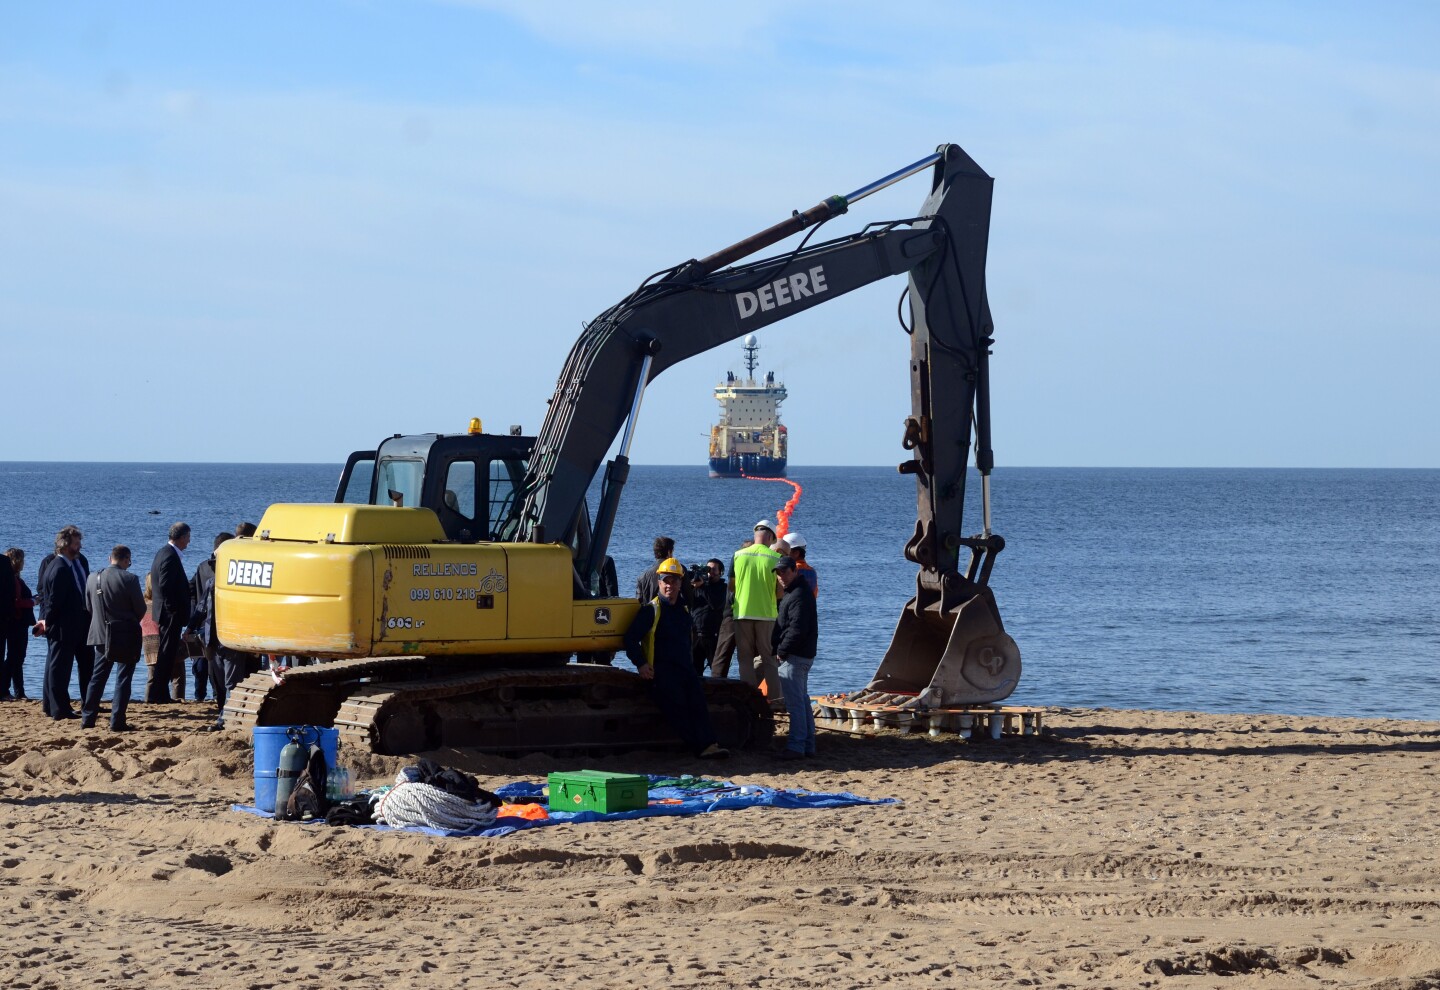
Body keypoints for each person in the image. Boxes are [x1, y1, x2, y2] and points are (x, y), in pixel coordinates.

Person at [622, 557, 728, 759]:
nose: (670, 585)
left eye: (674, 581)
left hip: (685, 669)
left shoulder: (684, 609)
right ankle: (700, 747)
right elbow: (629, 639)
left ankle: (709, 745)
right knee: (677, 709)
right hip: (661, 673)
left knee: (698, 704)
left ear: (681, 583)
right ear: (659, 582)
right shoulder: (650, 610)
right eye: (666, 581)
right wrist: (641, 664)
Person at [80, 545, 147, 731]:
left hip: (100, 633)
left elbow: (88, 606)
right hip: (124, 634)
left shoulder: (93, 577)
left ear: (110, 558)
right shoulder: (130, 578)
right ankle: (117, 721)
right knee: (123, 677)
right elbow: (141, 609)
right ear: (126, 559)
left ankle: (87, 719)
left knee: (97, 678)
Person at [38, 525, 90, 719]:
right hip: (62, 627)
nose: (80, 547)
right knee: (59, 669)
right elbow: (53, 602)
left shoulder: (63, 565)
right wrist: (46, 622)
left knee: (60, 668)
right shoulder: (59, 567)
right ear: (66, 545)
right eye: (77, 543)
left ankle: (58, 707)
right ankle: (59, 709)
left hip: (69, 625)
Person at [771, 554, 819, 760]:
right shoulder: (796, 592)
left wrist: (782, 650)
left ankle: (797, 745)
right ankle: (807, 744)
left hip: (795, 656)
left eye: (785, 571)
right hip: (801, 654)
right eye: (778, 572)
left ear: (794, 570)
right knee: (802, 700)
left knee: (796, 704)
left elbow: (797, 629)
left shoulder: (798, 594)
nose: (781, 576)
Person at [731, 520, 784, 704]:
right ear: (770, 537)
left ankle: (750, 702)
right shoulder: (775, 558)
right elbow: (779, 591)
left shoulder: (738, 555)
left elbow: (731, 586)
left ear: (755, 535)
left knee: (745, 660)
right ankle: (776, 701)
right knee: (770, 661)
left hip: (742, 613)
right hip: (767, 615)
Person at [147, 522, 192, 703]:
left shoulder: (164, 552)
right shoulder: (169, 556)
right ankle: (159, 694)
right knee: (166, 653)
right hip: (168, 614)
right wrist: (173, 611)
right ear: (181, 537)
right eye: (188, 537)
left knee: (167, 653)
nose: (189, 542)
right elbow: (165, 586)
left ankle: (160, 694)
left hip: (166, 613)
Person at [708, 539, 751, 678]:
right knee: (722, 657)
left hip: (741, 615)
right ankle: (716, 686)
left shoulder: (739, 564)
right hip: (735, 615)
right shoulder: (740, 565)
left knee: (728, 656)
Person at [2, 548, 36, 700]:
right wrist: (33, 601)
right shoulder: (14, 580)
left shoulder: (14, 579)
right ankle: (5, 688)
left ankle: (19, 690)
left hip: (16, 622)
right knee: (15, 657)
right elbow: (16, 602)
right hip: (17, 622)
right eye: (22, 560)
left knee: (17, 657)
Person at [689, 558, 726, 676]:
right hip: (696, 635)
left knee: (718, 673)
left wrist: (703, 587)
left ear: (721, 572)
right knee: (693, 672)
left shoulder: (723, 588)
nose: (711, 572)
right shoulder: (698, 586)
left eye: (714, 570)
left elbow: (716, 604)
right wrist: (690, 585)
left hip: (713, 636)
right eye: (709, 570)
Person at [634, 536, 676, 604]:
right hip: (671, 613)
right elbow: (688, 598)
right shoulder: (677, 571)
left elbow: (638, 602)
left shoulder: (642, 576)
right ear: (669, 552)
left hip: (649, 613)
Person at [782, 533, 819, 598]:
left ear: (796, 553)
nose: (782, 554)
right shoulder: (812, 571)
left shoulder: (791, 570)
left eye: (785, 551)